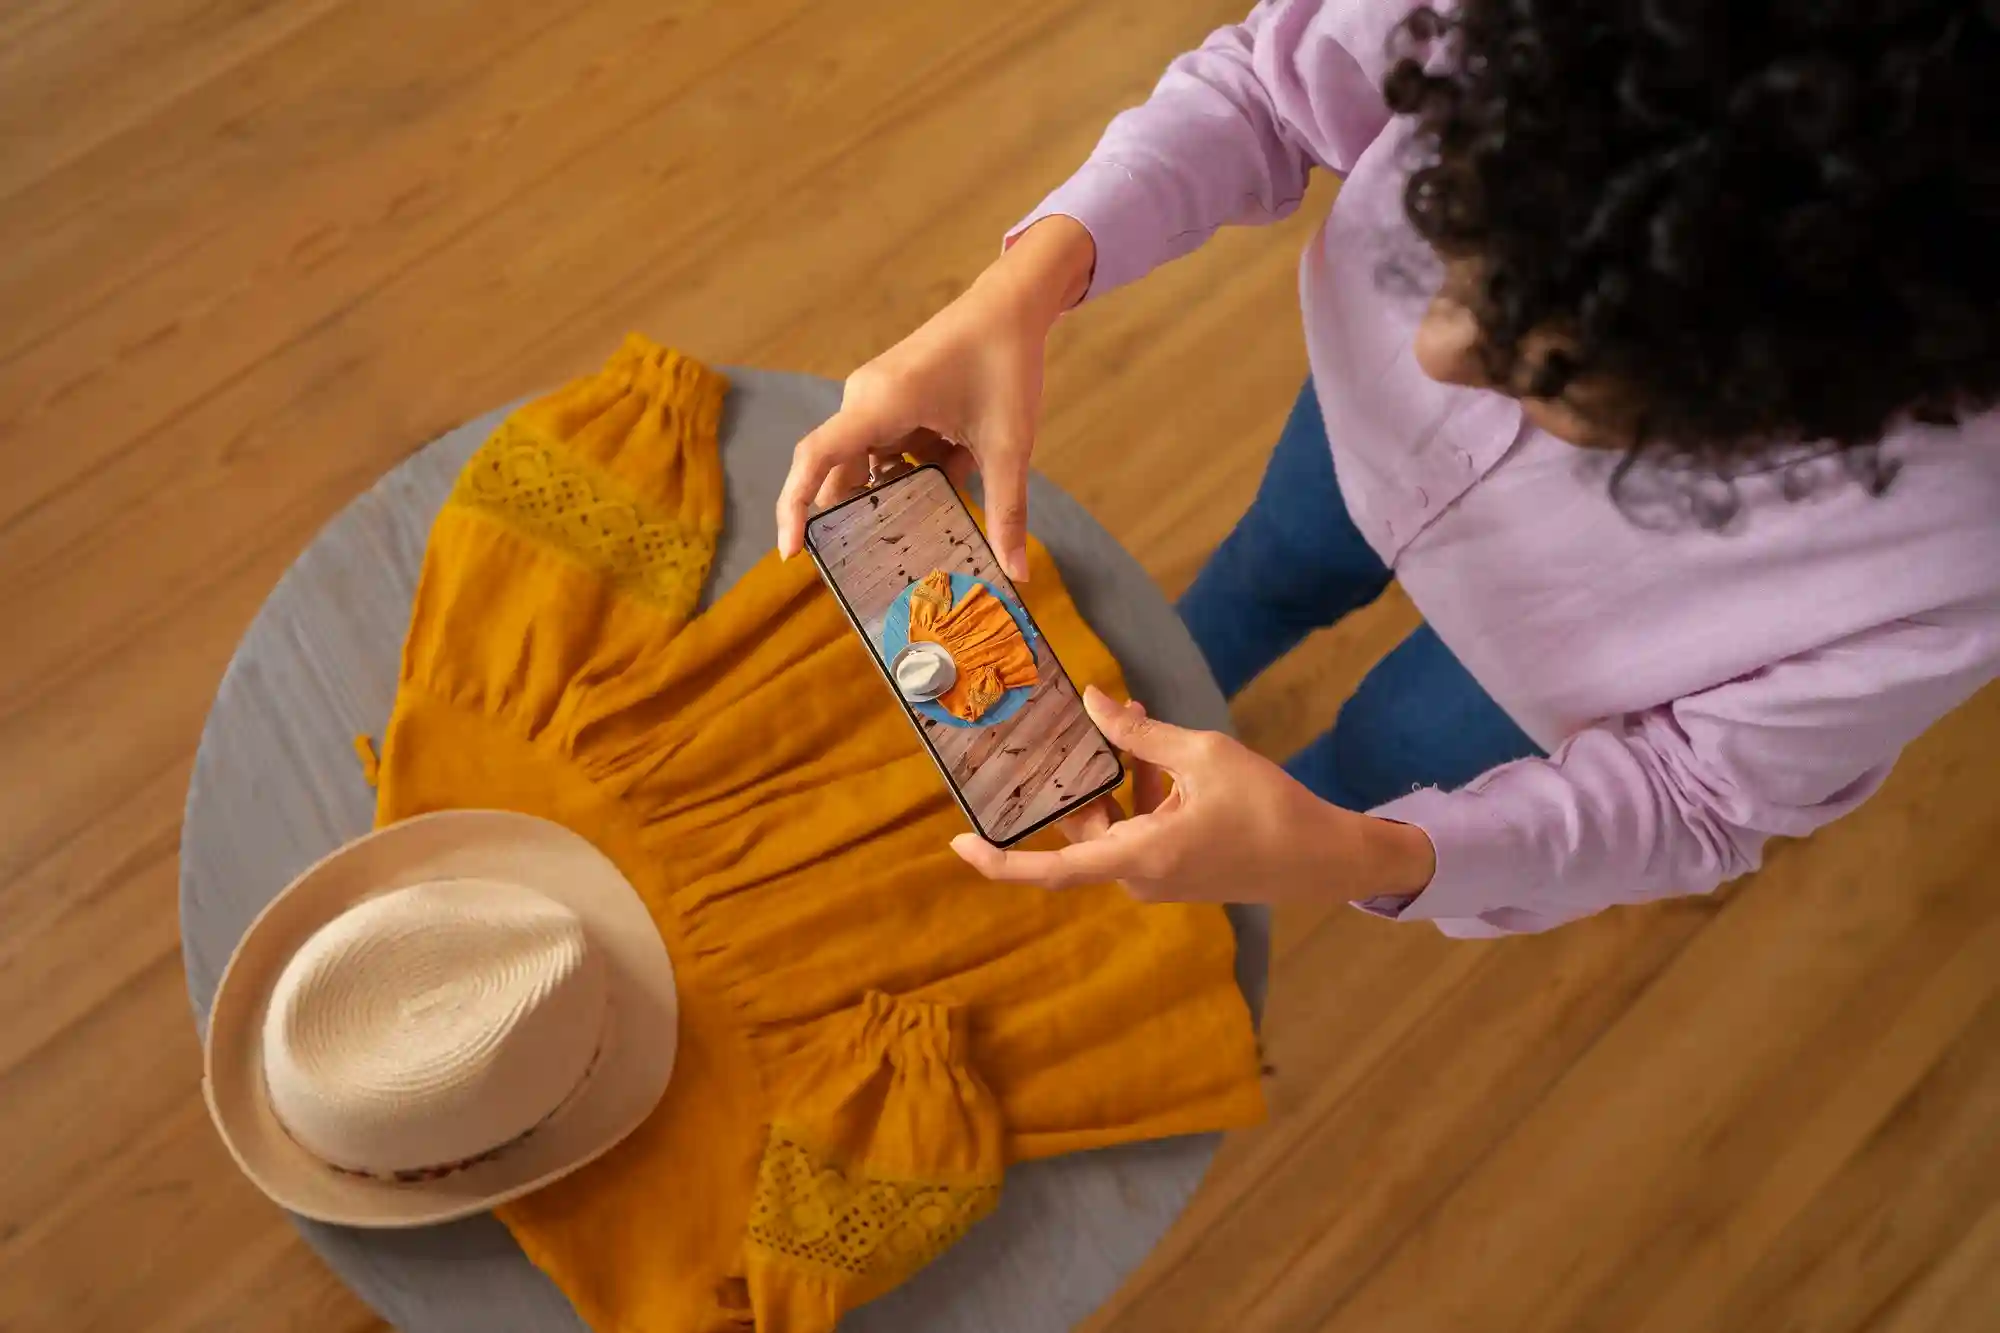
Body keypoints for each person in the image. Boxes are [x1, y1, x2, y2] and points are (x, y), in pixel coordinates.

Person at [775, 0, 2000, 935]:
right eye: (1455, 238)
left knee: (1370, 765)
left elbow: (1694, 799)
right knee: (1268, 567)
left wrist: (1344, 851)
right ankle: (1166, 718)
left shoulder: (1959, 545)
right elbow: (1268, 86)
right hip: (1353, 456)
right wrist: (1028, 281)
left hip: (1545, 674)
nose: (1431, 350)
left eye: (1553, 368)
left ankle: (1213, 857)